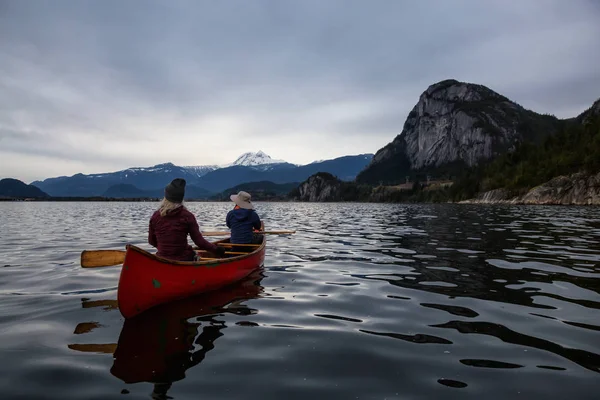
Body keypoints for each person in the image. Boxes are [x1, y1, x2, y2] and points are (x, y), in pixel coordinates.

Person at [148, 178, 226, 261]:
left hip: (161, 258)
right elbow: (199, 242)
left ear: (166, 196)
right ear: (181, 198)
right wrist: (217, 250)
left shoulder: (155, 216)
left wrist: (165, 249)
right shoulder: (187, 216)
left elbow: (151, 241)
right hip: (184, 259)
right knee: (194, 254)